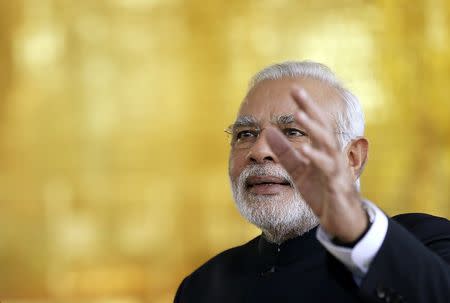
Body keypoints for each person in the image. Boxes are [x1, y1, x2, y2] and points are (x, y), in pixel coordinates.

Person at [174, 61, 450, 303]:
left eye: (292, 132)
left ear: (352, 157)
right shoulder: (203, 286)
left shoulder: (430, 243)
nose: (259, 151)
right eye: (245, 134)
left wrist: (356, 229)